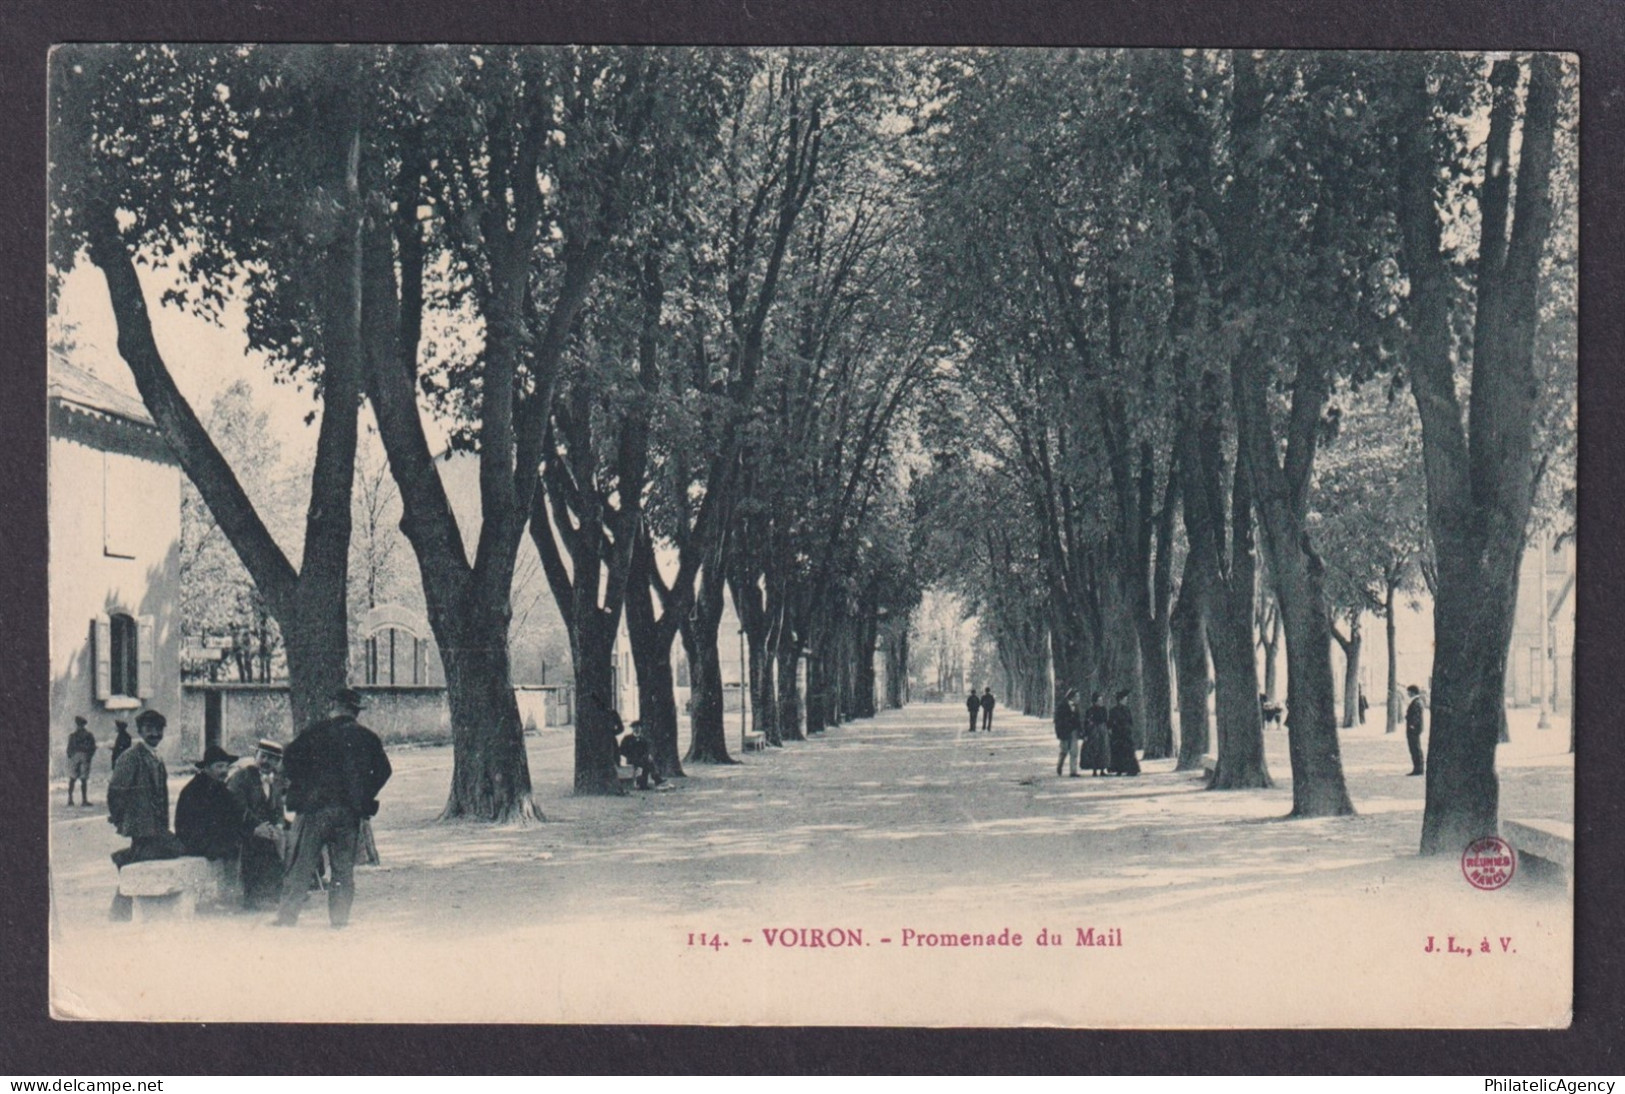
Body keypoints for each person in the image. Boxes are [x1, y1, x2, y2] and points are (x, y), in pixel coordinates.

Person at [275, 688, 392, 928]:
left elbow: (289, 761)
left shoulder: (313, 733)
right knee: (342, 869)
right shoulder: (368, 737)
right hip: (348, 812)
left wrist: (305, 786)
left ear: (334, 706)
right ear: (354, 711)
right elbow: (384, 771)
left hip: (314, 810)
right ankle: (339, 920)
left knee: (301, 863)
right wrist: (363, 794)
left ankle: (287, 917)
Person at [106, 709, 184, 920]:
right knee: (169, 850)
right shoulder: (130, 757)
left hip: (155, 825)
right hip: (140, 825)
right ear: (140, 731)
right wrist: (121, 820)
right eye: (149, 729)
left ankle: (124, 862)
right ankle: (120, 910)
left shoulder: (157, 758)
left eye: (159, 729)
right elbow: (116, 791)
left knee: (140, 860)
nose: (155, 734)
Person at [228, 739, 289, 910]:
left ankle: (281, 892)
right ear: (256, 756)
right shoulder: (242, 777)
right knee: (258, 843)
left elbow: (278, 809)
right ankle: (254, 897)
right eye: (263, 756)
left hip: (265, 828)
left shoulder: (275, 780)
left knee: (289, 838)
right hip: (242, 827)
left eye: (272, 758)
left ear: (277, 762)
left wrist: (278, 825)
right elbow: (238, 808)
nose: (266, 762)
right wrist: (257, 827)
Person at [175, 744, 244, 865]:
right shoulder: (193, 791)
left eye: (227, 767)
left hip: (216, 844)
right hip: (199, 845)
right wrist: (216, 845)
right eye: (219, 766)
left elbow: (236, 814)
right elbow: (189, 829)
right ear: (206, 768)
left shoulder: (221, 788)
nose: (225, 771)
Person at [617, 721, 665, 790]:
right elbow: (622, 750)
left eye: (638, 727)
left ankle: (643, 783)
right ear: (632, 729)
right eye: (635, 727)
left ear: (641, 728)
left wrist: (648, 755)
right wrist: (629, 754)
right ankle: (656, 778)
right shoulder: (627, 739)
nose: (637, 729)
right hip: (632, 759)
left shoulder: (644, 739)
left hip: (642, 759)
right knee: (648, 763)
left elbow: (647, 750)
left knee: (647, 762)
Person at [1107, 690, 1141, 776]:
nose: (1126, 701)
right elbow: (1110, 722)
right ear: (1120, 700)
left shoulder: (1127, 710)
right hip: (1118, 734)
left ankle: (1131, 769)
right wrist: (1111, 730)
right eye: (1125, 699)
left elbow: (1130, 721)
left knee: (1129, 751)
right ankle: (1119, 769)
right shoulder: (1113, 711)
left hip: (1126, 733)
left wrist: (1129, 729)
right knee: (1119, 752)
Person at [66, 715, 97, 807]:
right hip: (85, 756)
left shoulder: (72, 735)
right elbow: (93, 747)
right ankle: (84, 800)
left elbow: (69, 749)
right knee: (84, 779)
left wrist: (71, 756)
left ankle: (70, 799)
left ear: (77, 724)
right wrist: (89, 757)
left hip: (75, 757)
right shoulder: (89, 735)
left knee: (72, 778)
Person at [1080, 692, 1110, 777]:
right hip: (1094, 732)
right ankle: (1094, 769)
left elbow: (1106, 720)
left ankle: (1102, 769)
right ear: (1095, 701)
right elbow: (1087, 723)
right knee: (1094, 750)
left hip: (1102, 731)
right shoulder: (1090, 710)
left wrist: (1108, 729)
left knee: (1103, 750)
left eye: (1101, 700)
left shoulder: (1103, 709)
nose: (1101, 702)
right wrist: (1085, 734)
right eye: (1099, 700)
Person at [1054, 689, 1081, 777]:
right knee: (1064, 751)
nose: (1079, 698)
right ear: (1072, 697)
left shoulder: (1076, 707)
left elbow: (1078, 720)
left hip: (1074, 731)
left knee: (1074, 752)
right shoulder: (1062, 706)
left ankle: (1073, 771)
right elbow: (1057, 720)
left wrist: (1080, 731)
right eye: (1077, 696)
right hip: (1064, 732)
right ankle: (1059, 766)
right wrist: (1059, 732)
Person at [1405, 685, 1426, 776]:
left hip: (1413, 729)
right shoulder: (1417, 701)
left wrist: (1412, 725)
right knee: (1415, 748)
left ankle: (1418, 769)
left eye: (1409, 692)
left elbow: (1416, 716)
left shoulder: (1416, 702)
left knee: (1415, 748)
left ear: (1412, 692)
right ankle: (1418, 768)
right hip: (1414, 728)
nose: (1408, 694)